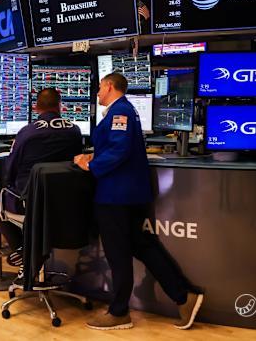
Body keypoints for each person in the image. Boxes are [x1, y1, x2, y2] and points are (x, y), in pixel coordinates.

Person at [74, 73, 203, 331]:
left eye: (99, 88)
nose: (97, 93)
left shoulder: (120, 111)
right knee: (142, 246)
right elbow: (115, 147)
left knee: (118, 254)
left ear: (109, 86)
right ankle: (183, 295)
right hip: (127, 193)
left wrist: (91, 166)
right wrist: (94, 156)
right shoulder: (123, 110)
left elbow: (119, 150)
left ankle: (119, 312)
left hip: (116, 195)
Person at [0, 88, 83, 265]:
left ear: (36, 107)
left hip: (31, 202)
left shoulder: (27, 132)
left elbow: (10, 170)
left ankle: (24, 251)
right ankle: (33, 252)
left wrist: (9, 183)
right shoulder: (74, 131)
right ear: (60, 106)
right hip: (65, 201)